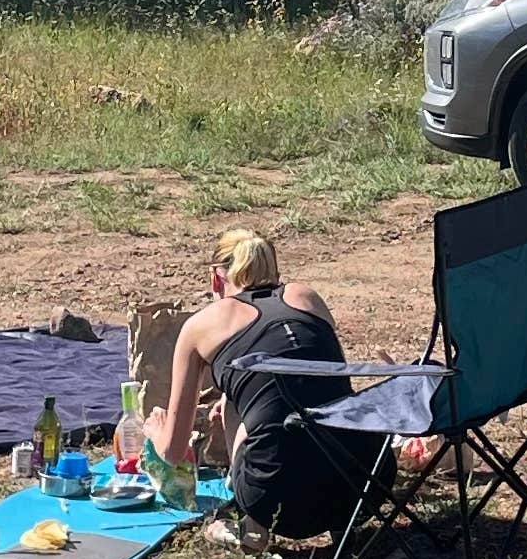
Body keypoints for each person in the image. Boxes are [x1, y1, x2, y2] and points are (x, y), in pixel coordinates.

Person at [147, 227, 371, 541]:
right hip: (366, 482)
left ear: (217, 277)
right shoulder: (306, 297)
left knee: (238, 405)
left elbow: (173, 451)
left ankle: (254, 532)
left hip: (274, 497)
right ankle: (342, 531)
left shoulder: (202, 324)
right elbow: (323, 379)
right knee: (319, 402)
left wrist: (155, 431)